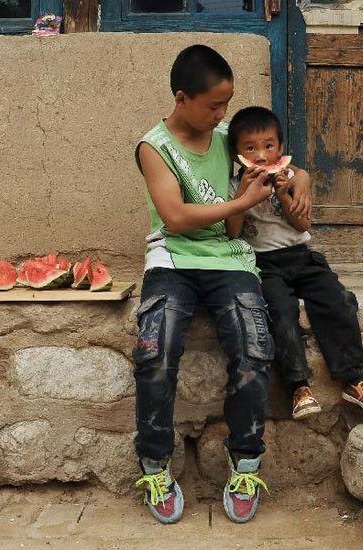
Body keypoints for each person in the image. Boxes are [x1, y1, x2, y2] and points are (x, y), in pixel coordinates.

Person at [132, 45, 310, 525]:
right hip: (173, 256)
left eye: (227, 104)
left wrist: (301, 177)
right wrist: (241, 202)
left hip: (230, 258)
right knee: (155, 351)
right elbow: (176, 217)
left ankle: (246, 462)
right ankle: (153, 464)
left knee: (254, 348)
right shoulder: (154, 148)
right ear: (182, 97)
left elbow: (276, 160)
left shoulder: (229, 135)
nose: (222, 115)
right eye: (213, 105)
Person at [226, 106, 363, 421]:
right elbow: (232, 232)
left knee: (339, 300)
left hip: (302, 257)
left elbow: (302, 226)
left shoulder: (292, 178)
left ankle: (355, 379)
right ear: (237, 156)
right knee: (280, 310)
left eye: (268, 146)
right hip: (262, 263)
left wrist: (285, 193)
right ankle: (298, 387)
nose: (261, 156)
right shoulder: (234, 187)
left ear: (281, 148)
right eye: (250, 148)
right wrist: (244, 197)